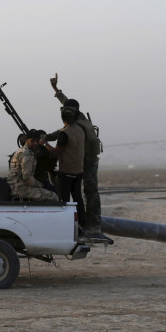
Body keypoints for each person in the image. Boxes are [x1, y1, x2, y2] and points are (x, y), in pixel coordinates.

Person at [46, 73, 105, 238]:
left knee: (87, 192)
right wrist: (56, 89)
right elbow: (67, 103)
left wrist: (43, 139)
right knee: (85, 192)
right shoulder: (81, 116)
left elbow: (60, 134)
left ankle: (90, 225)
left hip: (86, 160)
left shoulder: (76, 124)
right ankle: (89, 223)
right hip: (89, 158)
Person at [41, 104, 87, 235]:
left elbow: (56, 153)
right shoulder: (80, 130)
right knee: (78, 199)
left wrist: (44, 144)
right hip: (78, 171)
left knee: (65, 201)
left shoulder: (64, 133)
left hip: (67, 172)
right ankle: (82, 225)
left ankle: (68, 228)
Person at [7, 129, 60, 201]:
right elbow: (27, 177)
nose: (35, 143)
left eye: (37, 141)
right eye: (32, 140)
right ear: (27, 140)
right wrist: (40, 185)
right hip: (20, 188)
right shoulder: (26, 154)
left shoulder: (26, 151)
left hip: (17, 186)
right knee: (53, 196)